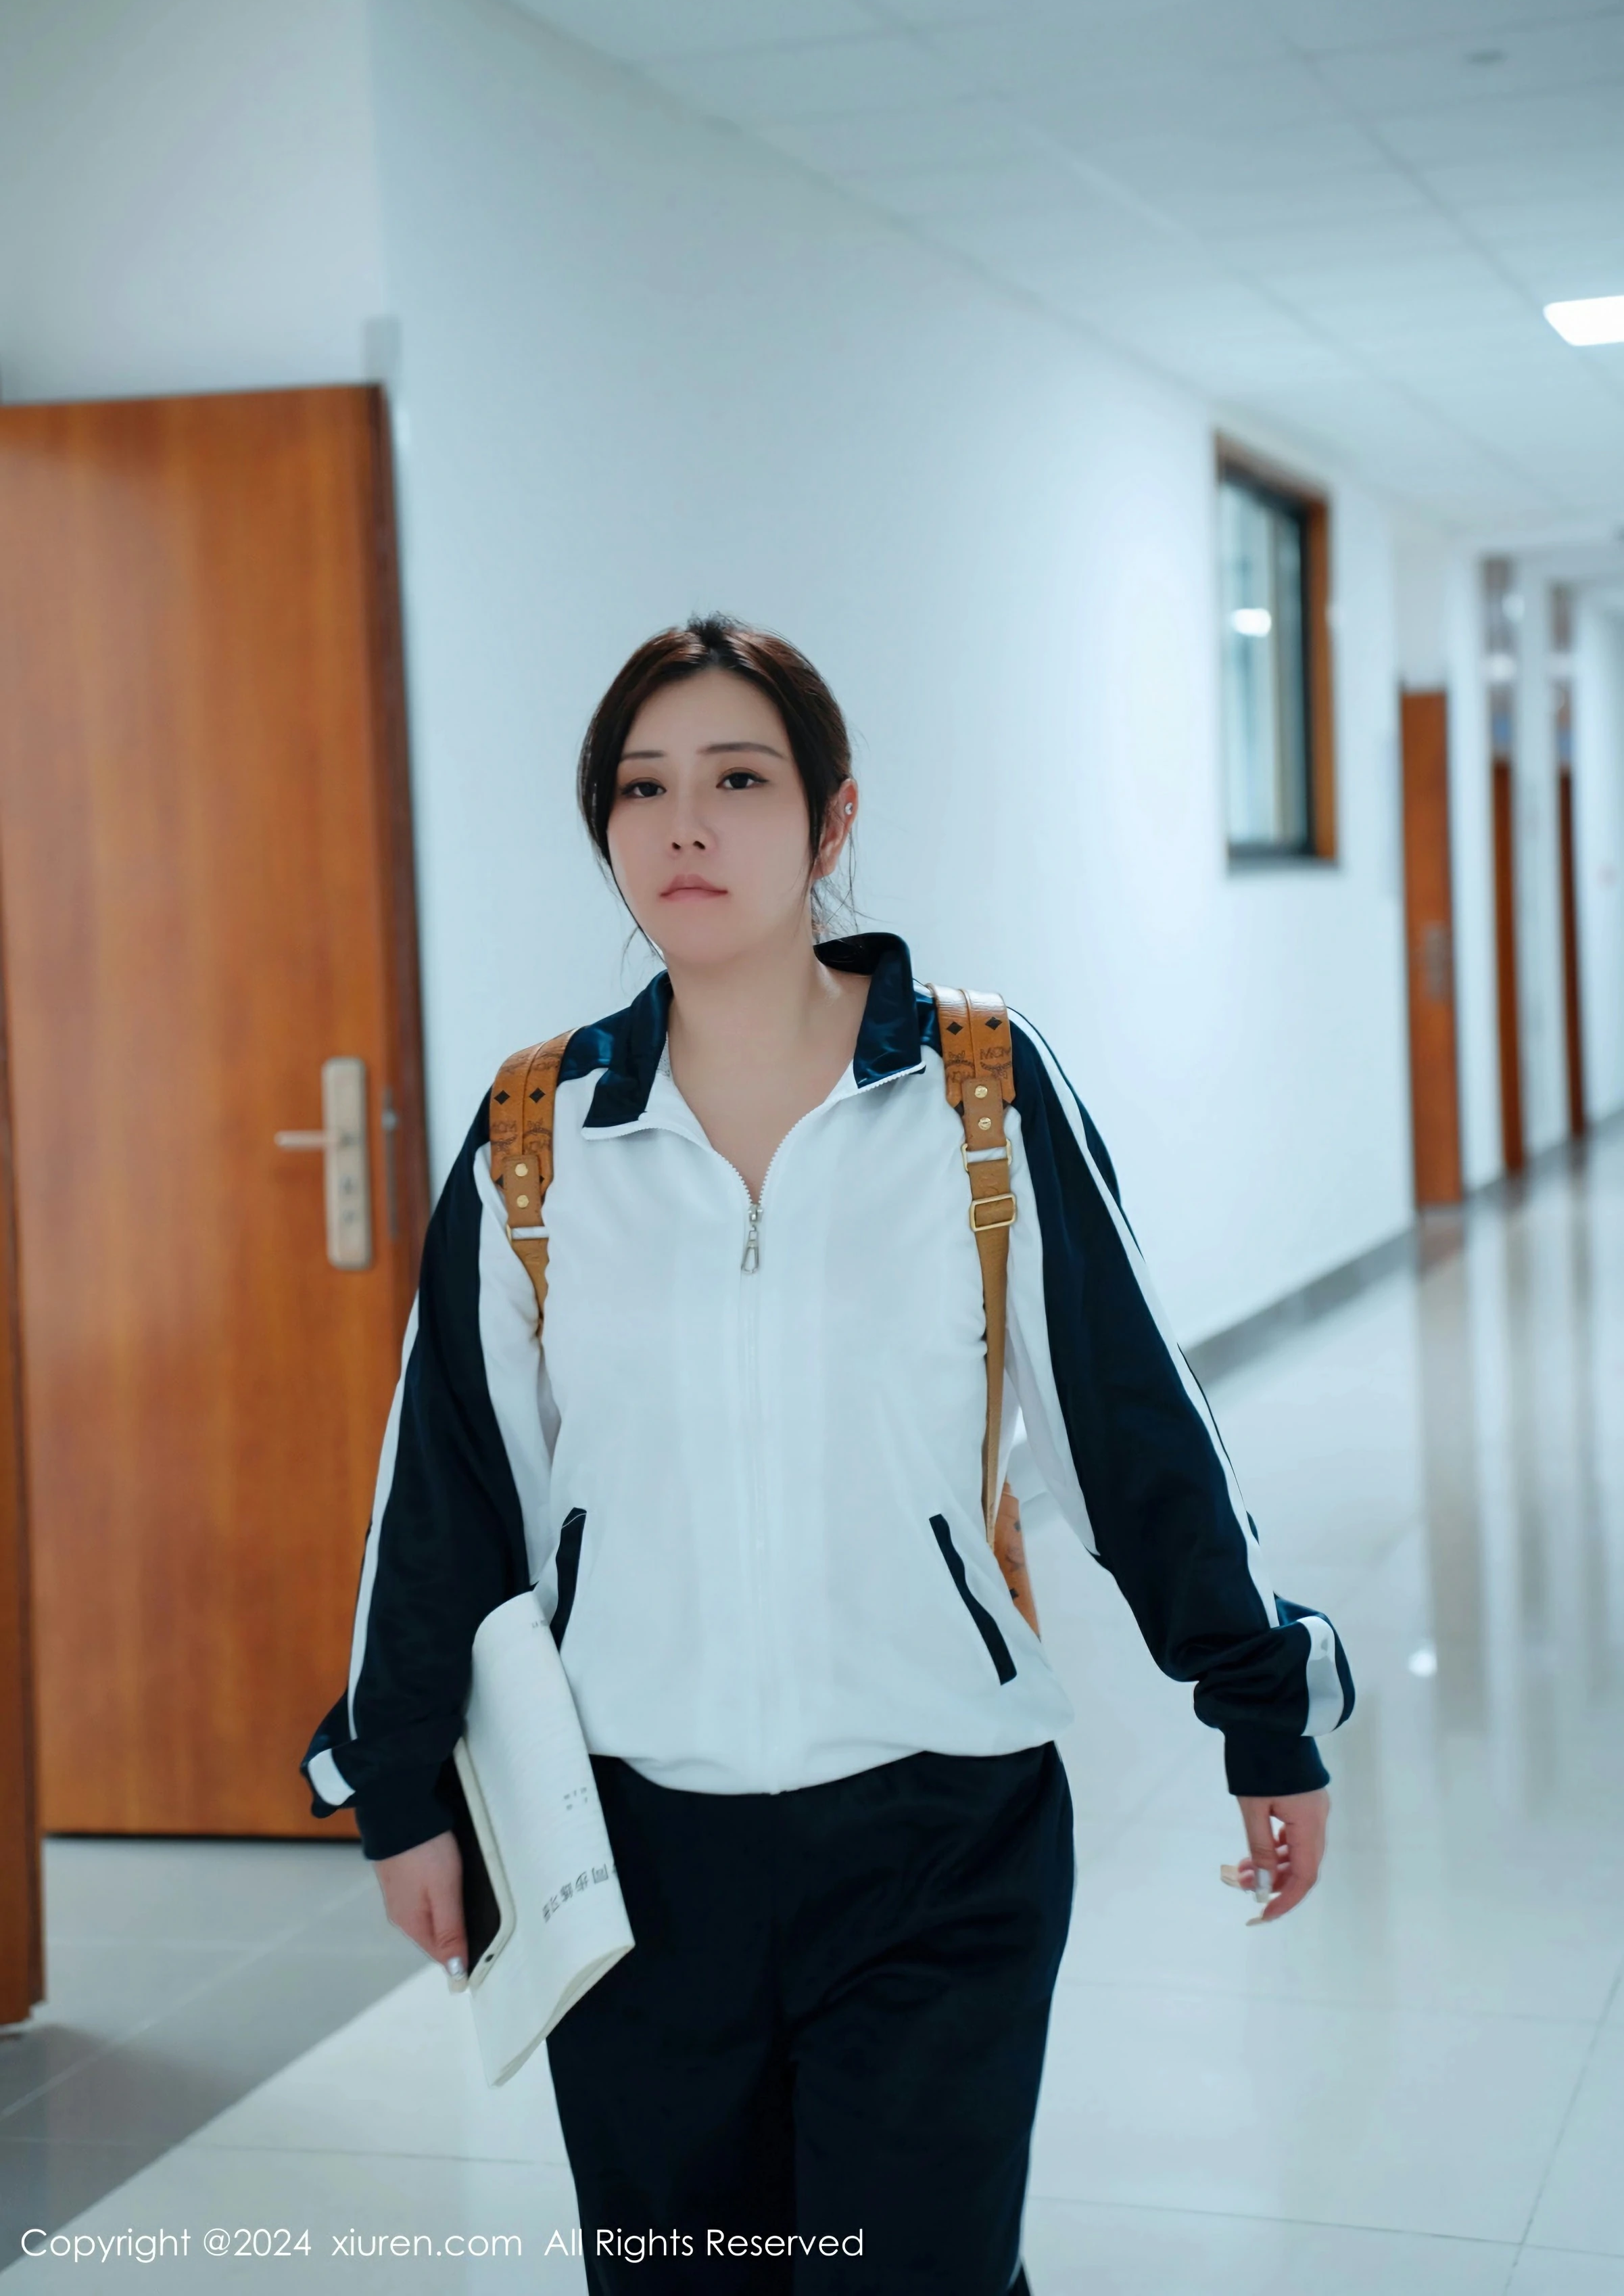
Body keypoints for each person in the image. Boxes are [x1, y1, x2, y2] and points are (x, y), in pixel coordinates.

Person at [301, 613, 1354, 2295]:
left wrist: (1260, 1701)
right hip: (633, 1856)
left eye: (737, 780)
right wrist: (401, 1791)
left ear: (831, 817)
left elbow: (1132, 1425)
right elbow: (445, 1494)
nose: (685, 826)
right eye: (641, 788)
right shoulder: (535, 1139)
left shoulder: (978, 1093)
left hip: (941, 1832)